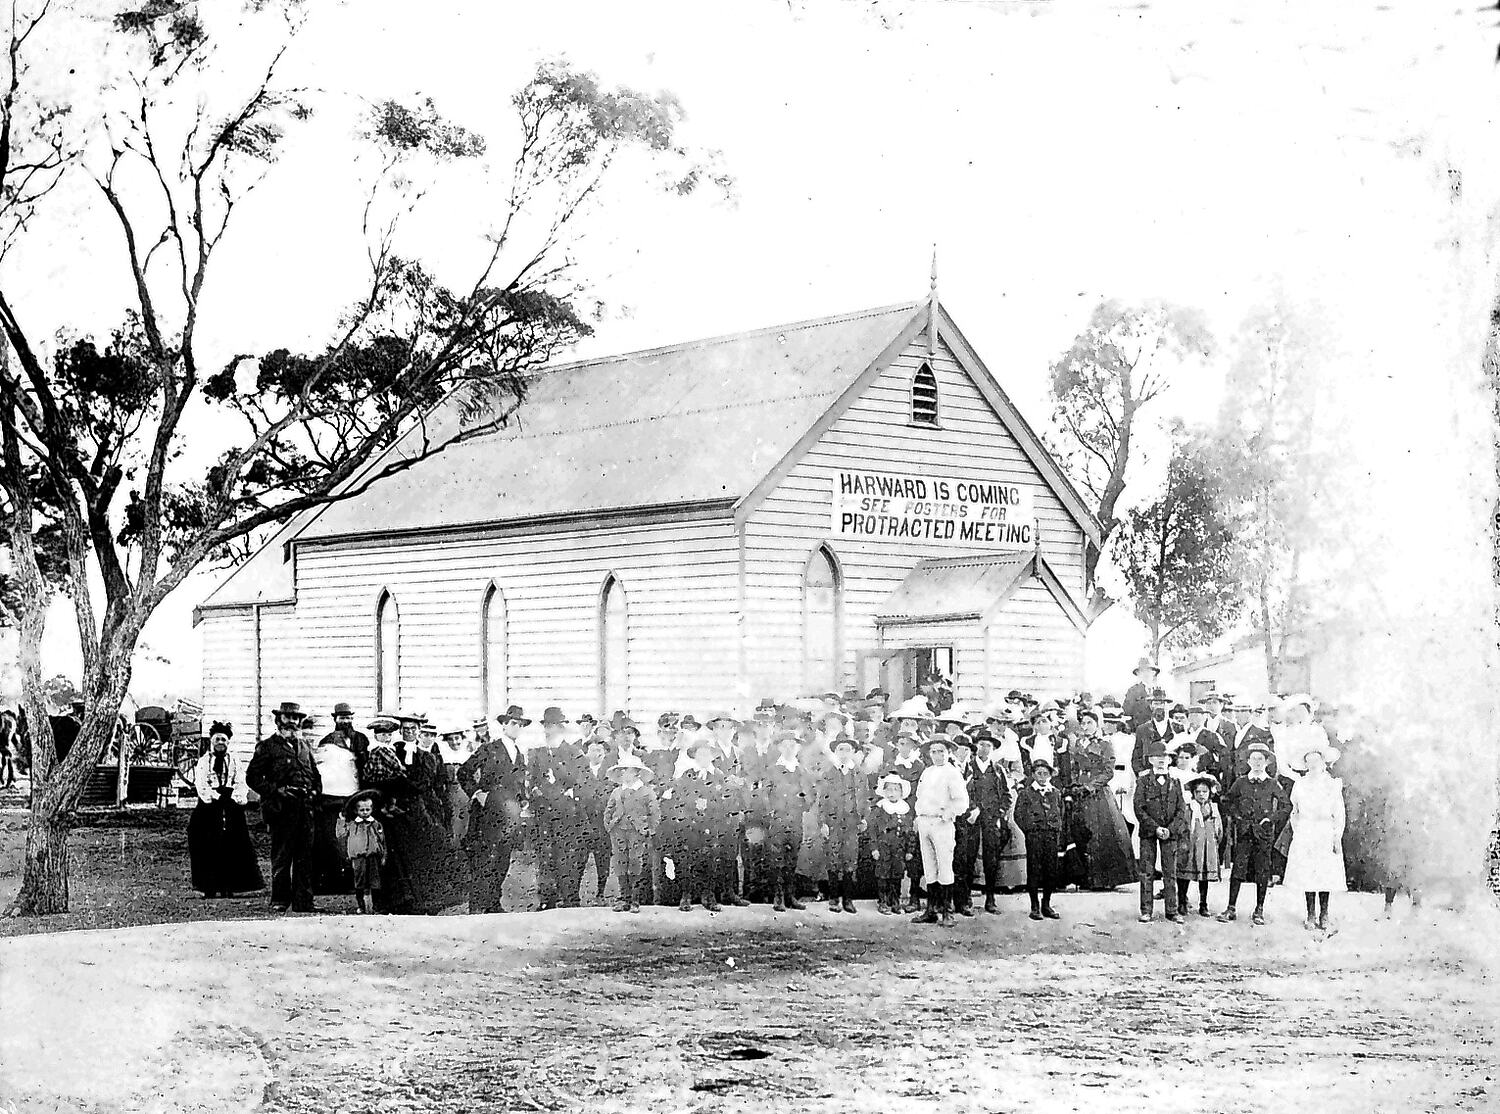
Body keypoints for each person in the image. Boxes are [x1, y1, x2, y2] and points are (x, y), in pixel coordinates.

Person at [246, 701, 322, 913]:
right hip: (282, 808)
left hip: (304, 807)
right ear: (278, 721)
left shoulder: (304, 747)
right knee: (282, 856)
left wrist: (315, 792)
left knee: (305, 856)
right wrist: (276, 791)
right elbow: (252, 777)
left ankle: (303, 901)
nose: (292, 723)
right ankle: (279, 900)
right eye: (288, 718)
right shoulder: (267, 747)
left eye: (296, 719)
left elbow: (315, 775)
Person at [457, 706, 528, 914]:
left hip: (510, 814)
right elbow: (464, 772)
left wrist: (523, 800)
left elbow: (518, 783)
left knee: (503, 858)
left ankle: (493, 903)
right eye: (514, 723)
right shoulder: (489, 749)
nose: (517, 727)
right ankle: (477, 907)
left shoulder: (519, 753)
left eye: (520, 725)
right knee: (485, 858)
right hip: (489, 812)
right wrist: (477, 793)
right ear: (504, 724)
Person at [1216, 741, 1290, 926]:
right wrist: (1237, 817)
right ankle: (1231, 907)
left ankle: (1259, 909)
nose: (1257, 762)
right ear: (1248, 761)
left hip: (1264, 834)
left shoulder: (1272, 784)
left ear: (1266, 762)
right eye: (1253, 759)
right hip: (1244, 832)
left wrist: (1270, 819)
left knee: (1262, 870)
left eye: (1261, 759)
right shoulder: (1241, 782)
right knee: (1238, 869)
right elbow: (1227, 801)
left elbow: (1286, 806)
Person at [188, 721, 264, 898]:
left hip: (230, 804)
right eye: (217, 739)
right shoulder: (204, 761)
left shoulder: (234, 760)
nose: (220, 742)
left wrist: (235, 797)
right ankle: (209, 887)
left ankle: (230, 886)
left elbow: (241, 781)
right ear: (212, 741)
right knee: (206, 843)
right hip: (209, 805)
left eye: (223, 739)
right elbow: (201, 784)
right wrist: (215, 796)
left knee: (232, 843)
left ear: (228, 742)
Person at [1283, 739, 1347, 935]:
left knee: (1325, 872)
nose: (1313, 765)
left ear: (1323, 762)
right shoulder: (1300, 784)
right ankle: (1310, 913)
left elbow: (1339, 812)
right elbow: (1295, 811)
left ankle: (1324, 914)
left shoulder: (1331, 784)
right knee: (1308, 873)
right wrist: (1298, 831)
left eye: (1316, 761)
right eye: (1309, 761)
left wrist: (1337, 835)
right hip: (1306, 830)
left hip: (1325, 830)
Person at [1068, 709, 1136, 891]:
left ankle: (1104, 879)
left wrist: (1091, 786)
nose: (1085, 727)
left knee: (1101, 834)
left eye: (1089, 723)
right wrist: (1076, 784)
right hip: (1080, 793)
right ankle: (1085, 877)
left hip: (1098, 794)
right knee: (1081, 832)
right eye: (1083, 723)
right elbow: (1074, 767)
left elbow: (1108, 771)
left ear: (1096, 725)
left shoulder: (1105, 744)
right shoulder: (1077, 745)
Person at [527, 706, 585, 911]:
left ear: (561, 728)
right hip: (543, 811)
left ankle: (569, 897)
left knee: (567, 854)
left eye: (552, 725)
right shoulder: (537, 753)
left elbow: (579, 780)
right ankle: (546, 898)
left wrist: (558, 778)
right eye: (546, 726)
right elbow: (531, 780)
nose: (548, 730)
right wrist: (535, 791)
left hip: (566, 812)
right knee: (545, 854)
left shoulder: (573, 752)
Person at [911, 736, 969, 928]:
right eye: (934, 751)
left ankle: (947, 911)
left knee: (945, 866)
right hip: (925, 821)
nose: (937, 755)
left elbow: (962, 801)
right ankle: (931, 910)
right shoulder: (927, 772)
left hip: (941, 823)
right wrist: (918, 818)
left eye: (941, 751)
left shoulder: (952, 773)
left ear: (948, 752)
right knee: (929, 866)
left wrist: (949, 813)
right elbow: (920, 797)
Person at [1133, 739, 1187, 924]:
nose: (1161, 760)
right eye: (1157, 756)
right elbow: (1138, 808)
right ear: (1150, 760)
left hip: (1170, 834)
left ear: (1170, 760)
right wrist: (1155, 828)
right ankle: (1146, 910)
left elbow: (1182, 809)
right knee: (1147, 871)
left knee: (1170, 871)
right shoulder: (1143, 781)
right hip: (1149, 832)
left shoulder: (1176, 781)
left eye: (1165, 756)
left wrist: (1170, 830)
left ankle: (1172, 910)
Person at [960, 729, 1012, 914]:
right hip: (971, 818)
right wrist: (971, 809)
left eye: (988, 745)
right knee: (968, 856)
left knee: (992, 858)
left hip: (991, 818)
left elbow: (1006, 796)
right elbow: (961, 792)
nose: (984, 748)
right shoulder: (967, 767)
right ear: (976, 747)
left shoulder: (998, 770)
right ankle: (965, 899)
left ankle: (990, 899)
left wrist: (999, 813)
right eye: (981, 744)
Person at [816, 735, 870, 914]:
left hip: (852, 823)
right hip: (833, 822)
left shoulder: (860, 775)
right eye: (841, 749)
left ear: (853, 752)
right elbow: (822, 800)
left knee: (850, 859)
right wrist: (822, 822)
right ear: (835, 752)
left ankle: (848, 898)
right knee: (833, 858)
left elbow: (864, 799)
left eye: (848, 749)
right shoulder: (829, 773)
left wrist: (863, 818)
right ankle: (833, 897)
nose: (844, 753)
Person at [307, 712, 358, 895]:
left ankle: (338, 880)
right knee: (321, 841)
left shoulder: (338, 753)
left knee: (335, 841)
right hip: (321, 800)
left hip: (337, 800)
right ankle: (322, 881)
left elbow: (346, 777)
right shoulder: (315, 752)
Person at [603, 753, 660, 913]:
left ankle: (635, 899)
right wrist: (609, 825)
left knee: (635, 862)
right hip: (618, 831)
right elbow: (609, 810)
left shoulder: (646, 792)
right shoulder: (616, 792)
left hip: (637, 832)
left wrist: (649, 830)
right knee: (620, 862)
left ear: (636, 773)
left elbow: (654, 814)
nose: (624, 774)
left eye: (627, 771)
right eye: (621, 771)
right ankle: (624, 898)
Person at [1014, 757, 1066, 921]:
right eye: (1039, 773)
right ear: (1034, 775)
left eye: (1045, 774)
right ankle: (1034, 906)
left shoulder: (1056, 793)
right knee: (1034, 870)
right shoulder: (1026, 794)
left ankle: (1046, 904)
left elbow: (1061, 813)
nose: (1042, 777)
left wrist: (1055, 828)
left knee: (1051, 870)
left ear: (1050, 775)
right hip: (1034, 836)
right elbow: (1018, 815)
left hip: (1051, 836)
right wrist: (1030, 829)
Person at [882, 729, 928, 911]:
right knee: (891, 856)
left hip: (913, 814)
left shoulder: (920, 767)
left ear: (914, 746)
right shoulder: (891, 764)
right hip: (894, 814)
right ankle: (888, 899)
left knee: (914, 856)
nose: (905, 747)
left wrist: (918, 815)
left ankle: (914, 897)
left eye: (909, 744)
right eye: (901, 743)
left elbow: (923, 792)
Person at [764, 730, 810, 912]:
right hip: (778, 820)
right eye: (786, 745)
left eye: (793, 745)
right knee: (777, 859)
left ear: (798, 748)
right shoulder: (772, 770)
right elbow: (764, 794)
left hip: (796, 819)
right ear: (780, 747)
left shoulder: (802, 770)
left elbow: (810, 794)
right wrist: (772, 812)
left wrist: (803, 804)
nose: (790, 749)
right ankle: (778, 895)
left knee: (793, 858)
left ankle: (791, 895)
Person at [1177, 774, 1222, 917]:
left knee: (1204, 877)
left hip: (1207, 846)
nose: (1201, 795)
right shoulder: (1188, 808)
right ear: (1193, 793)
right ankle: (1182, 902)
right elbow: (1182, 826)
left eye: (1204, 792)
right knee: (1185, 873)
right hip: (1190, 845)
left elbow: (1219, 829)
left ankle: (1203, 904)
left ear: (1210, 793)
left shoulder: (1213, 809)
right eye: (1198, 792)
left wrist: (1214, 842)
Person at [577, 737, 615, 904]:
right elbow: (578, 794)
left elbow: (610, 796)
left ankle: (600, 893)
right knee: (578, 861)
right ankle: (574, 895)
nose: (597, 753)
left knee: (603, 861)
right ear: (587, 753)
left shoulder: (610, 774)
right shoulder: (580, 772)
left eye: (600, 751)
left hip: (602, 824)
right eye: (593, 750)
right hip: (583, 823)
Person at [870, 772, 914, 915]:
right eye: (889, 789)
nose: (892, 793)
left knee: (897, 875)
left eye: (896, 790)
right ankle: (882, 902)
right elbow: (873, 830)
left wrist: (910, 850)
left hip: (899, 848)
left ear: (901, 792)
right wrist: (874, 848)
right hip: (883, 848)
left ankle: (895, 901)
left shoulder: (905, 809)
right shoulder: (880, 808)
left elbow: (910, 832)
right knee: (883, 875)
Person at [342, 789, 386, 914]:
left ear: (372, 809)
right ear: (356, 811)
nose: (365, 812)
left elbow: (382, 840)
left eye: (368, 810)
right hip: (358, 857)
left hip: (373, 856)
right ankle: (361, 906)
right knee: (360, 880)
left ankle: (376, 906)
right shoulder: (352, 825)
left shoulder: (376, 824)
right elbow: (340, 834)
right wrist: (341, 820)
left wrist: (383, 855)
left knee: (375, 881)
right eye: (362, 810)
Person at [1131, 689, 1172, 774]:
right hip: (1149, 776)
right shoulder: (1142, 729)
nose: (1159, 707)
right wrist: (1141, 772)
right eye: (1156, 703)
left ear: (1166, 706)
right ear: (1151, 706)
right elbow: (1137, 755)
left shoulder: (1176, 727)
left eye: (1162, 703)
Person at [1122, 658, 1160, 731]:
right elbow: (1127, 711)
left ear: (1154, 673)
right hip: (1140, 729)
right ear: (1138, 674)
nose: (1146, 673)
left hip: (1158, 730)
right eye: (1143, 671)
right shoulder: (1133, 691)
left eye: (1149, 671)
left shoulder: (1159, 690)